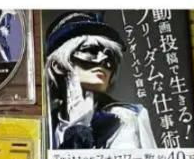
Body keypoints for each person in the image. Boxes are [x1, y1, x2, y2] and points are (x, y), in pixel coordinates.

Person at [44, 11, 157, 150]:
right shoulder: (47, 124)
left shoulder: (127, 117)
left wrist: (80, 128)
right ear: (58, 66)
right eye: (91, 51)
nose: (104, 60)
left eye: (110, 55)